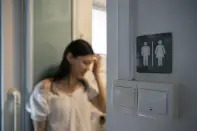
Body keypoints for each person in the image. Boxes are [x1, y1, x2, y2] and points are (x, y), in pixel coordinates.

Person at [26, 39, 106, 131]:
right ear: (70, 57)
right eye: (85, 63)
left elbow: (103, 107)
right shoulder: (45, 90)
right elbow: (39, 129)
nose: (87, 68)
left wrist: (97, 74)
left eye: (90, 63)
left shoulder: (85, 87)